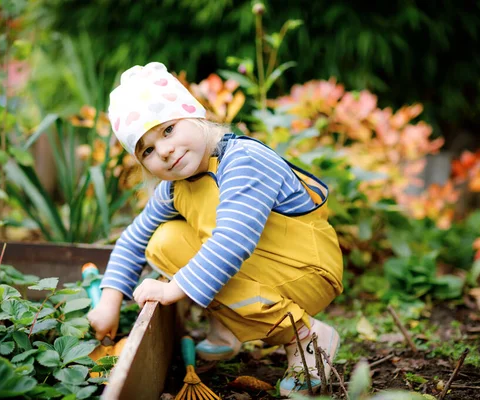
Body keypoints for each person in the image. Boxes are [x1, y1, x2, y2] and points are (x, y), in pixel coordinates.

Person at [87, 61, 343, 395]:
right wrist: (109, 302)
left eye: (168, 129)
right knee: (162, 242)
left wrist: (172, 288)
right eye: (147, 150)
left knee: (209, 253)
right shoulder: (174, 187)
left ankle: (308, 338)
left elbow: (233, 243)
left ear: (198, 115)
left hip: (306, 269)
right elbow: (134, 240)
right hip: (261, 266)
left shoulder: (242, 160)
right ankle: (229, 328)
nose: (164, 150)